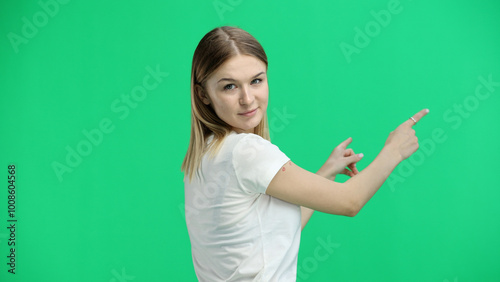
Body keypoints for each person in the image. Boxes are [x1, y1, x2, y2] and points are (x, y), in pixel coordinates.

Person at [181, 26, 429, 281]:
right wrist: (394, 150)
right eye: (230, 87)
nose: (248, 98)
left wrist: (325, 173)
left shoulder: (205, 156)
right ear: (203, 94)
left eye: (256, 80)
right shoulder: (246, 152)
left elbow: (274, 237)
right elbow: (349, 202)